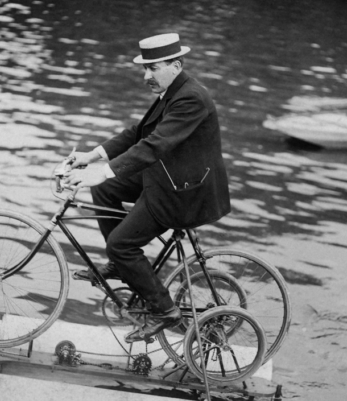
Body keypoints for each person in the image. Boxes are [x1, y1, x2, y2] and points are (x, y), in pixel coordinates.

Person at [62, 33, 231, 343]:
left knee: (121, 242)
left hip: (184, 193)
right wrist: (93, 156)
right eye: (145, 69)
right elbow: (137, 133)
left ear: (176, 65)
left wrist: (104, 172)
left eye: (153, 68)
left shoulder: (191, 98)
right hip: (169, 177)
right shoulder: (174, 91)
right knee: (106, 190)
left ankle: (164, 310)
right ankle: (121, 267)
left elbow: (154, 145)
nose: (146, 76)